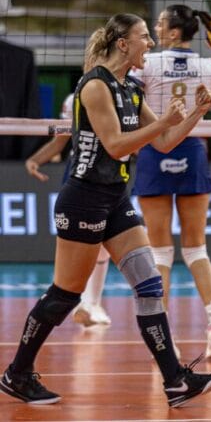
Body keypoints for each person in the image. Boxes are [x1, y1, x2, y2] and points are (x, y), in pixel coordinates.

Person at [0, 15, 211, 406]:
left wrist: (195, 113)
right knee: (65, 294)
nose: (150, 44)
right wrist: (166, 119)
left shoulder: (131, 88)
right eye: (144, 37)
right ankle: (16, 373)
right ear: (123, 43)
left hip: (115, 198)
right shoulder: (95, 85)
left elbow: (166, 141)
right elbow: (117, 145)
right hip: (84, 198)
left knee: (149, 285)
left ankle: (175, 381)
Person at [131, 5, 211, 358]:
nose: (155, 27)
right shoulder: (209, 67)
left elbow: (130, 107)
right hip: (192, 150)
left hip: (154, 149)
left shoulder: (147, 65)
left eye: (160, 23)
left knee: (159, 251)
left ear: (174, 32)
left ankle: (164, 338)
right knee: (196, 248)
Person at [25, 42, 112, 327]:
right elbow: (62, 137)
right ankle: (88, 302)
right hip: (98, 174)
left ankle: (83, 302)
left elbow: (60, 140)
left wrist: (35, 159)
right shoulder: (113, 93)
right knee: (97, 242)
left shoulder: (74, 96)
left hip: (77, 173)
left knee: (86, 242)